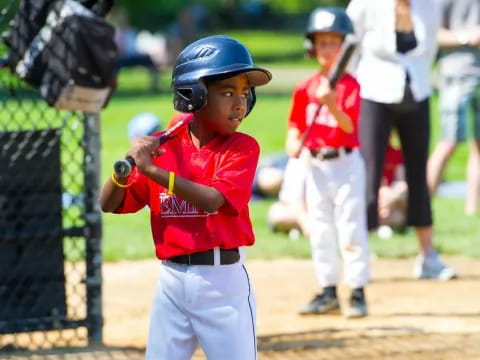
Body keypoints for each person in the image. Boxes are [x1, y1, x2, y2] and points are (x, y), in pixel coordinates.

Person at [99, 35, 272, 359]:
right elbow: (108, 204)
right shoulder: (164, 148)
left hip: (223, 285)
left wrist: (153, 171)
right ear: (193, 94)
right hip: (171, 283)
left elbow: (211, 200)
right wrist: (124, 171)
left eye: (245, 93)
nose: (240, 103)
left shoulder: (241, 148)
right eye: (227, 92)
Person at [347, 0, 456, 280]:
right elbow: (349, 45)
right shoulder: (365, 5)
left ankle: (427, 256)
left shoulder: (428, 5)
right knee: (369, 173)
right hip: (374, 92)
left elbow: (429, 47)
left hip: (417, 92)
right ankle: (362, 255)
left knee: (418, 174)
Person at [286, 7, 370, 318]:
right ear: (312, 47)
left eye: (333, 43)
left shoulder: (350, 85)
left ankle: (358, 291)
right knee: (320, 229)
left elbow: (349, 127)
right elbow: (295, 126)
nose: (327, 49)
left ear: (344, 47)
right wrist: (292, 143)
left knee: (350, 226)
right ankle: (328, 290)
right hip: (316, 165)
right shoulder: (305, 87)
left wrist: (332, 104)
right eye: (321, 43)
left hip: (346, 164)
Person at [427, 0, 480, 216]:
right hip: (456, 74)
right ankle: (421, 208)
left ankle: (471, 211)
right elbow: (433, 34)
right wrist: (467, 37)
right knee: (449, 142)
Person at [266, 152, 310, 239]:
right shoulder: (299, 159)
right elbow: (296, 197)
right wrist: (304, 222)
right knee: (277, 214)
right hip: (298, 206)